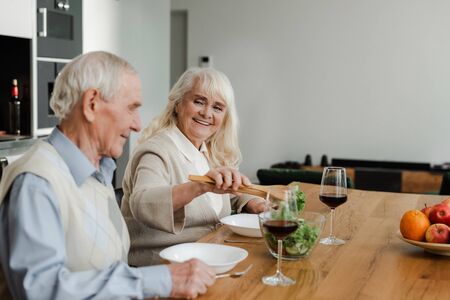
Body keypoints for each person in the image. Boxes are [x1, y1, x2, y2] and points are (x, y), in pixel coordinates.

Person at [0, 51, 215, 299]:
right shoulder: (36, 183)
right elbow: (40, 291)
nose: (137, 124)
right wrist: (158, 280)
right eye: (131, 108)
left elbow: (106, 268)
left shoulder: (99, 173)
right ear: (92, 104)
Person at [121, 67, 266, 266]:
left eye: (217, 107)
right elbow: (143, 203)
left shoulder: (209, 151)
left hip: (208, 260)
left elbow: (228, 192)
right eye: (199, 101)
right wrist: (200, 186)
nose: (207, 113)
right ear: (178, 104)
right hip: (161, 269)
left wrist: (252, 202)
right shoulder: (156, 152)